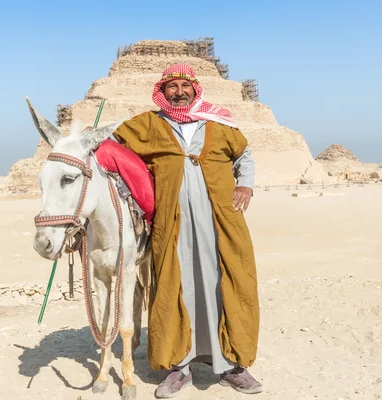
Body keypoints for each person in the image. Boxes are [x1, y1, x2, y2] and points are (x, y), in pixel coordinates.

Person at [111, 63, 262, 397]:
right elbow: (111, 148)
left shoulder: (218, 123)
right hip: (171, 226)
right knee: (173, 290)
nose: (179, 92)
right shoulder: (147, 125)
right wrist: (128, 188)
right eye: (171, 87)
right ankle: (178, 369)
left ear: (196, 89)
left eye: (185, 86)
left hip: (222, 224)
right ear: (161, 92)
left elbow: (244, 155)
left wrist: (246, 186)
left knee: (228, 288)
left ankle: (233, 366)